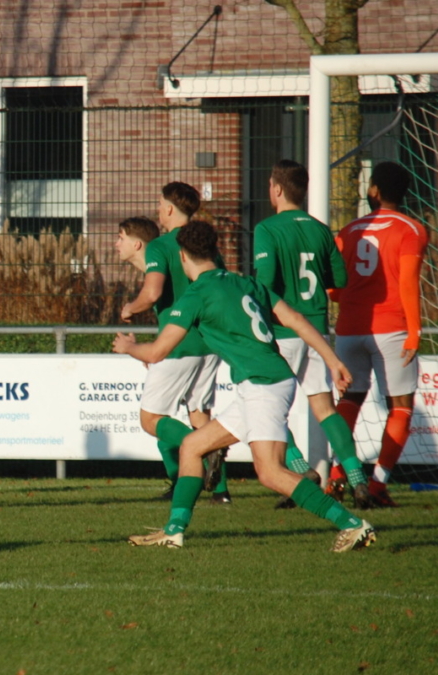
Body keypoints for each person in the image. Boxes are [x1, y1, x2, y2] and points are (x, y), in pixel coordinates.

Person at [114, 220, 375, 552]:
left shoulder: (197, 295)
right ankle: (174, 530)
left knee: (269, 472)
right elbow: (295, 319)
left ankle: (353, 524)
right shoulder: (245, 282)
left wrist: (128, 347)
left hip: (263, 386)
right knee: (192, 447)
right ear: (214, 251)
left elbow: (157, 352)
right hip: (264, 383)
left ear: (182, 256)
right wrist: (333, 361)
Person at [253, 160, 371, 510]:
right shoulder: (320, 229)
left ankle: (301, 471)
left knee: (265, 410)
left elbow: (264, 284)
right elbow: (340, 279)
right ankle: (357, 479)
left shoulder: (267, 229)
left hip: (283, 331)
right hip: (317, 330)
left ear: (276, 189)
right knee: (324, 408)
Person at [118, 183, 229, 503]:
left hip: (179, 345)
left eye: (159, 204)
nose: (157, 210)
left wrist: (130, 308)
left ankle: (206, 453)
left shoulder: (162, 246)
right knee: (198, 414)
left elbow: (152, 293)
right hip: (209, 342)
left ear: (168, 209)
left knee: (151, 419)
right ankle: (219, 492)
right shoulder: (207, 247)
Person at [332, 162, 429, 508]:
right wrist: (414, 331)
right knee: (401, 406)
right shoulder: (412, 228)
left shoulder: (348, 230)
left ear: (374, 190)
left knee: (349, 401)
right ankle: (377, 485)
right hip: (392, 329)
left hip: (349, 329)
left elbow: (334, 289)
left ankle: (336, 477)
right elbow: (407, 283)